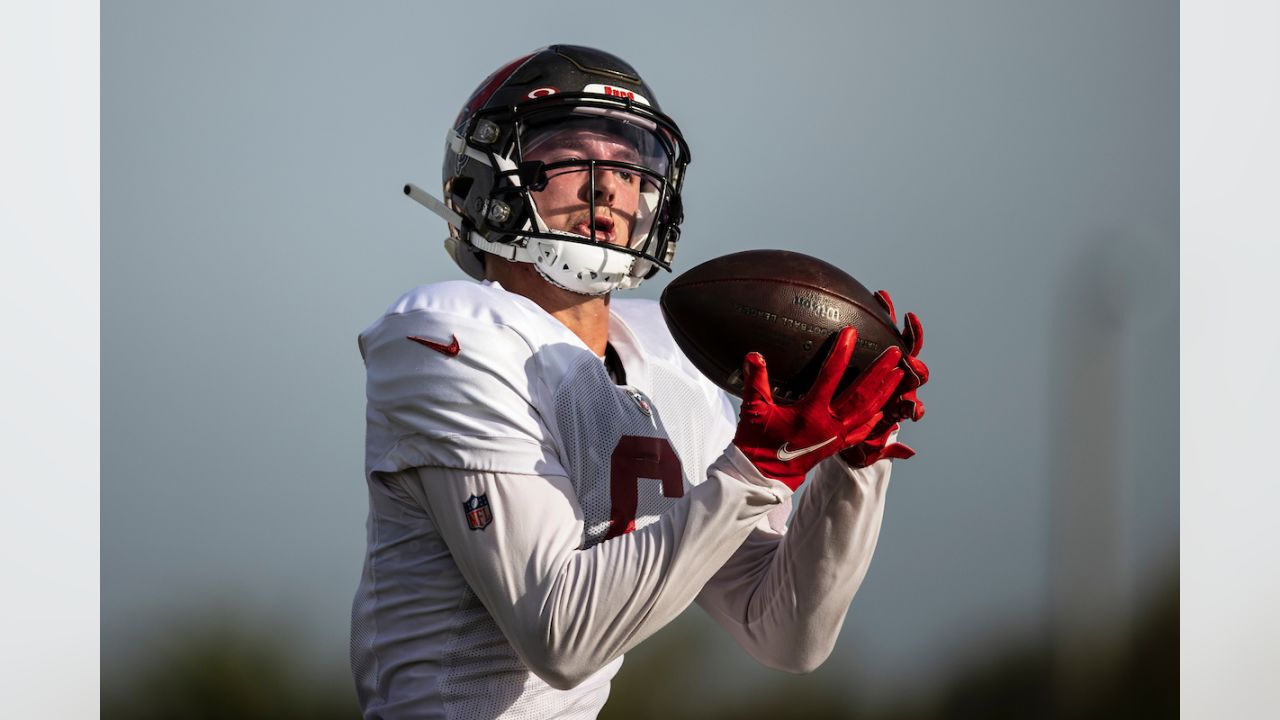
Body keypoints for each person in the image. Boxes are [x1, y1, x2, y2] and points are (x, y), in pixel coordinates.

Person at [350, 45, 930, 720]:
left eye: (630, 163)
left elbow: (784, 630)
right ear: (488, 176)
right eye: (571, 153)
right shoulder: (448, 336)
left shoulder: (668, 357)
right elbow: (561, 639)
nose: (609, 184)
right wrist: (759, 467)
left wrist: (847, 459)